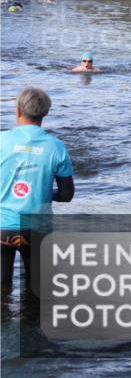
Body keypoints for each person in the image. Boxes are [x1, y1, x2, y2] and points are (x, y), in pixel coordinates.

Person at [1, 88, 75, 299]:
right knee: (37, 291)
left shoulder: (1, 141)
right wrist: (43, 192)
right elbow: (67, 194)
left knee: (2, 287)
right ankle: (32, 326)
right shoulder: (57, 147)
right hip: (36, 230)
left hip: (2, 227)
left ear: (17, 111)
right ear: (45, 113)